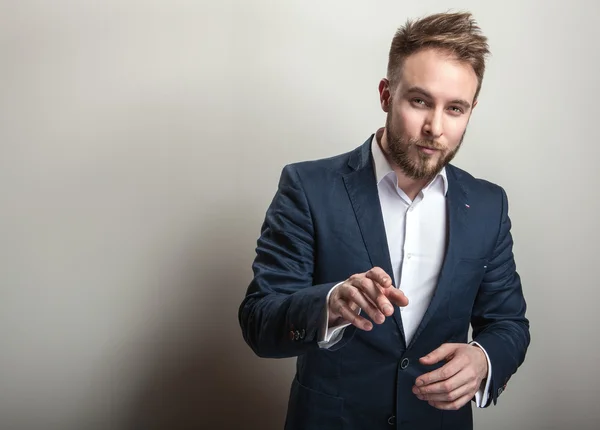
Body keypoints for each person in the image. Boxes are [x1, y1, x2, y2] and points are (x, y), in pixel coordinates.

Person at [238, 11, 530, 430]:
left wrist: (483, 359)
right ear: (385, 94)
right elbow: (259, 320)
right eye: (419, 101)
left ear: (471, 109)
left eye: (455, 109)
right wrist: (328, 305)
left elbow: (508, 323)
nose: (435, 127)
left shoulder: (488, 204)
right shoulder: (307, 187)